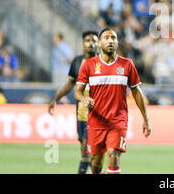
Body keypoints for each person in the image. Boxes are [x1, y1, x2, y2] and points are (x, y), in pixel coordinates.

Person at [74, 28, 151, 174]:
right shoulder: (89, 65)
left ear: (117, 43)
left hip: (117, 121)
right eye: (106, 38)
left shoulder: (127, 64)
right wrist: (84, 99)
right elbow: (77, 92)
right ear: (100, 43)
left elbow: (136, 91)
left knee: (113, 156)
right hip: (96, 122)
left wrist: (146, 118)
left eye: (113, 38)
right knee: (96, 165)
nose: (110, 41)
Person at [48, 30, 99, 174]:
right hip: (82, 113)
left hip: (99, 114)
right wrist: (55, 99)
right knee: (84, 148)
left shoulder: (103, 62)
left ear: (98, 43)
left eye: (94, 40)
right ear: (83, 44)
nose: (91, 43)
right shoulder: (77, 62)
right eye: (88, 40)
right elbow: (70, 84)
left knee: (94, 151)